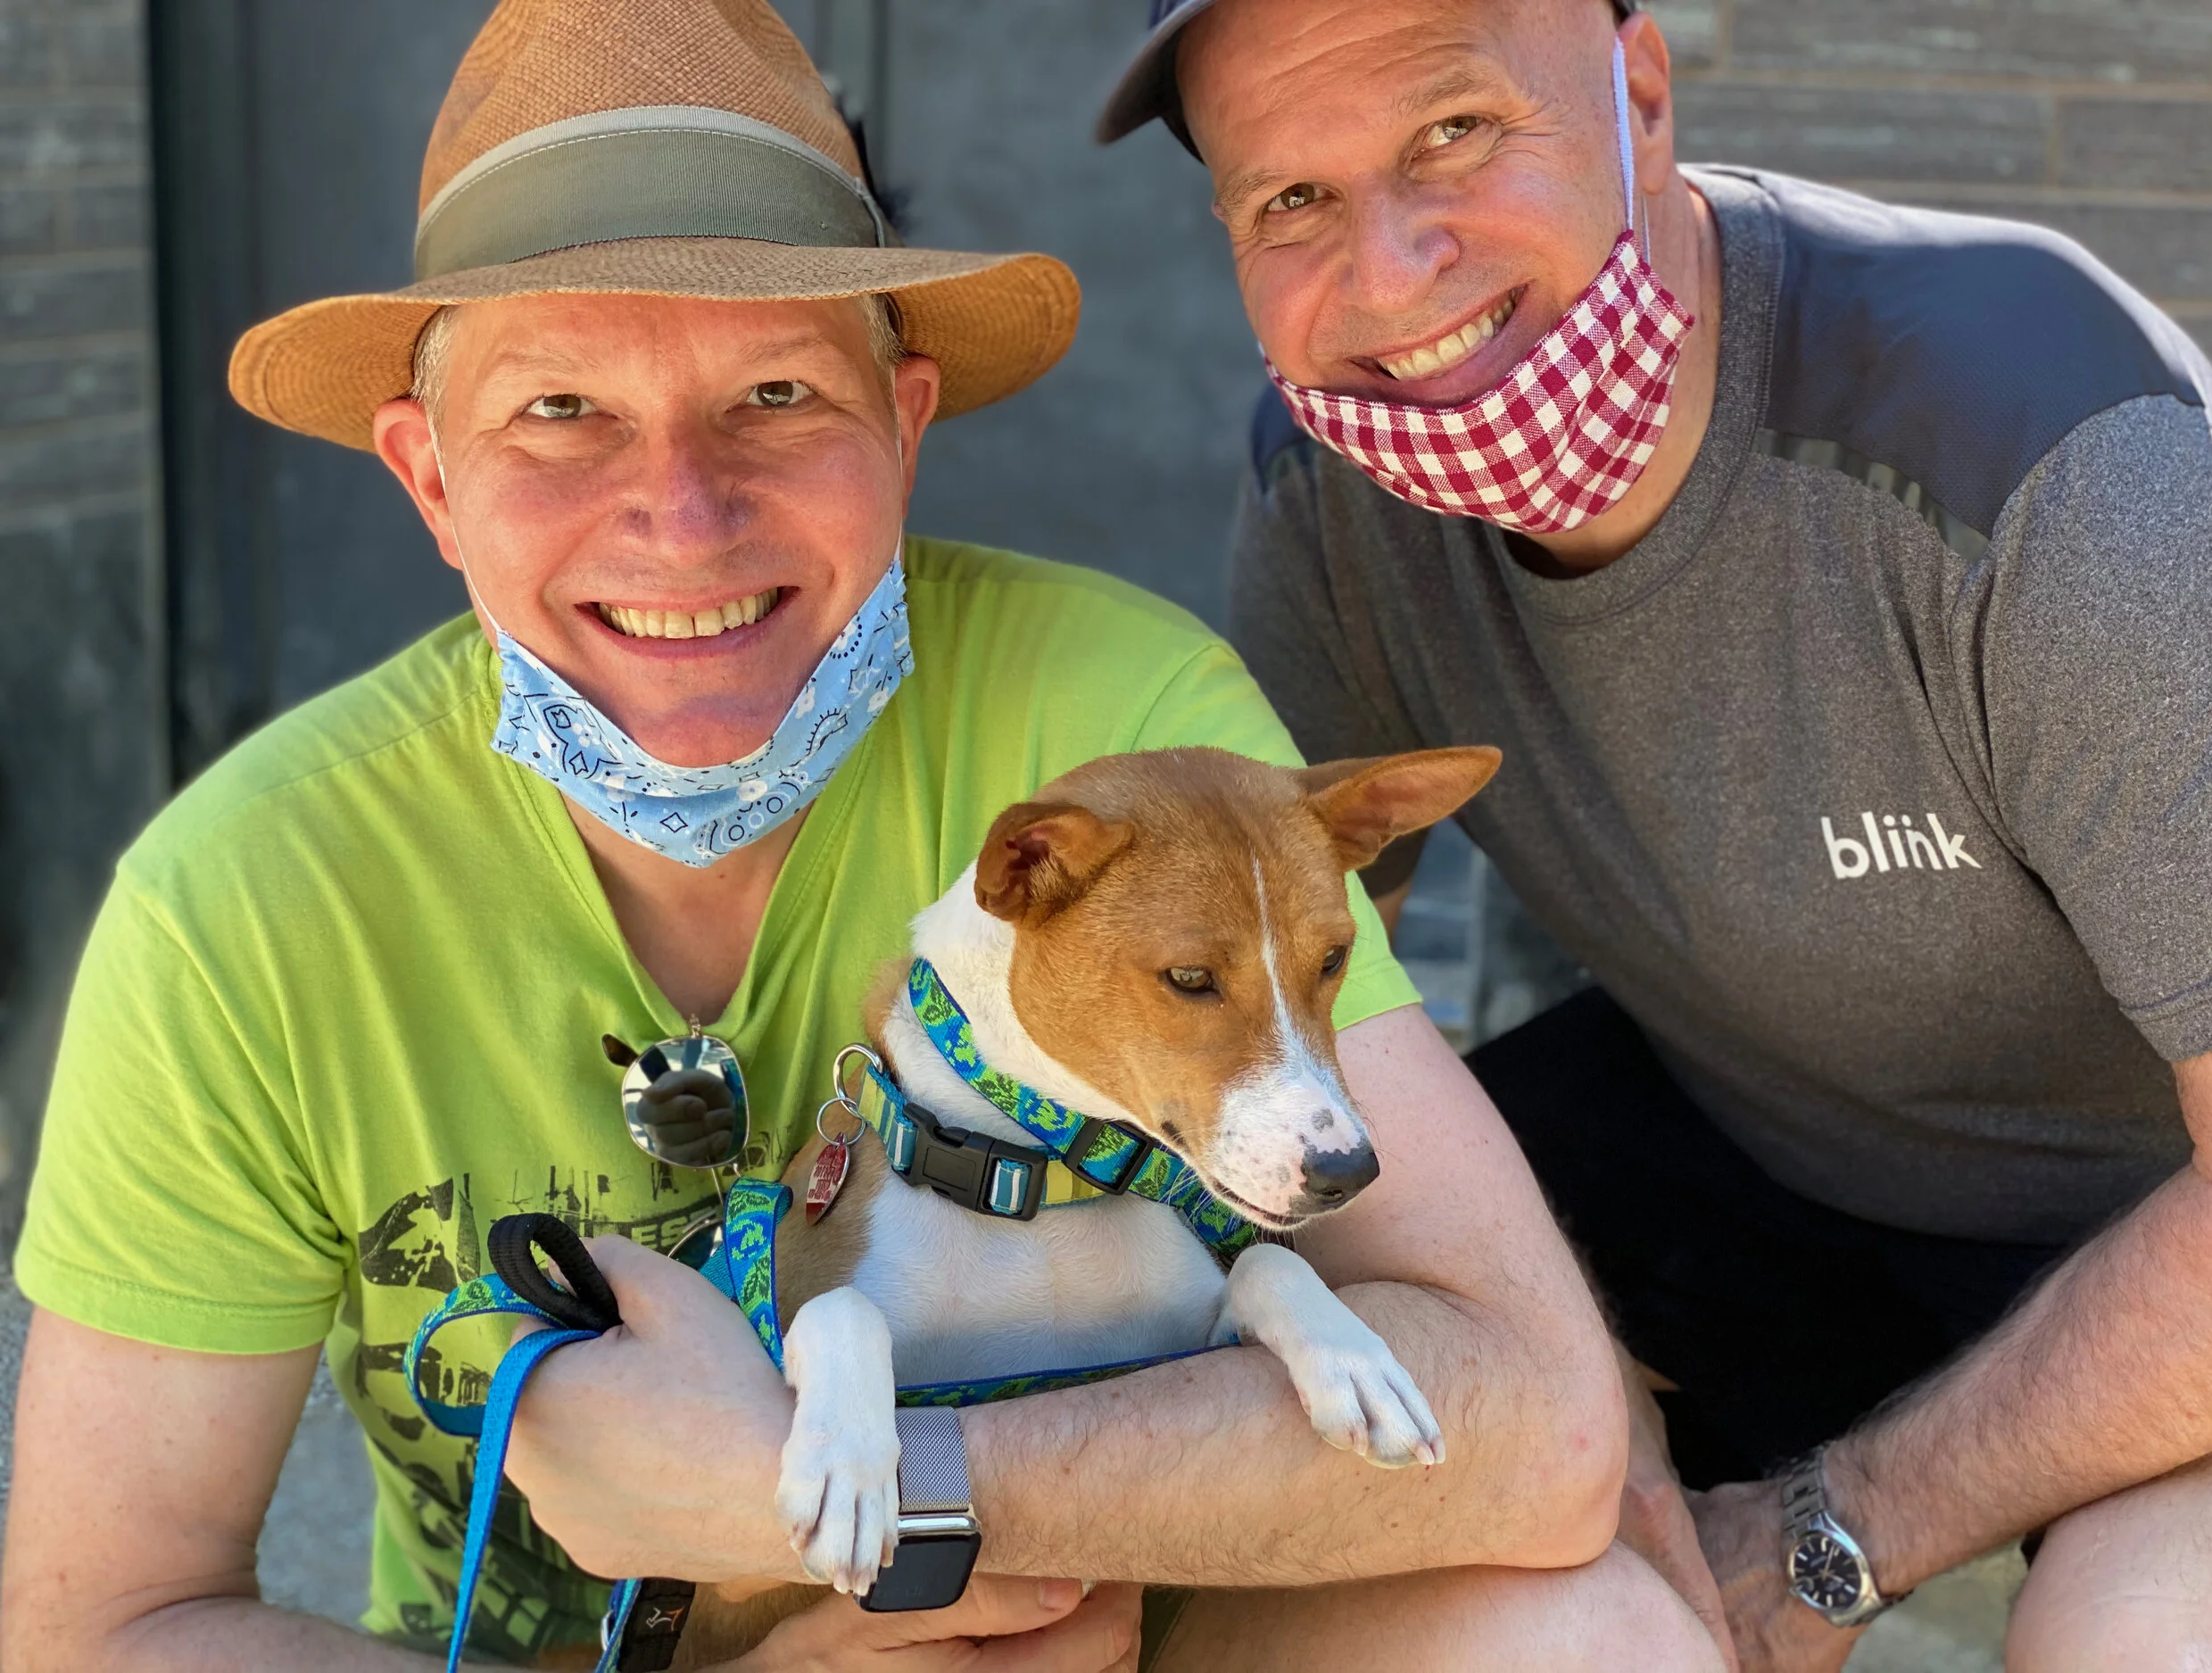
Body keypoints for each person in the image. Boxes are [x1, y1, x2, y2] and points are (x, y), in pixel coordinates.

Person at [0, 3, 1721, 1670]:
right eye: (558, 410)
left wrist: (846, 1491)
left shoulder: (1128, 745)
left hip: (1118, 1637)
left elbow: (1539, 1428)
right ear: (430, 474)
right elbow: (100, 1625)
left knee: (1596, 1636)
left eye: (773, 393)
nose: (683, 513)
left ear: (902, 426)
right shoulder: (240, 900)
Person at [1098, 0, 2212, 1667]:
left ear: (1638, 92)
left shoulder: (2037, 446)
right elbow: (1302, 1053)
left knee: (2146, 1636)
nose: (1392, 274)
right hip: (1744, 1143)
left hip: (2164, 1227)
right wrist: (1574, 1402)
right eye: (1293, 200)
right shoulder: (1333, 498)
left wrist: (1830, 1533)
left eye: (1455, 132)